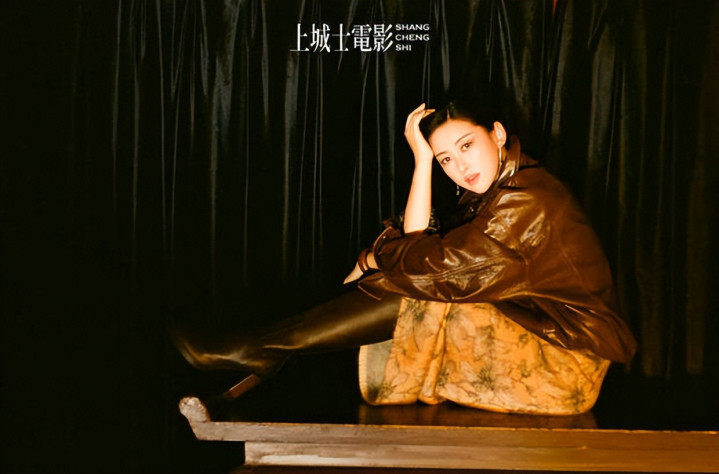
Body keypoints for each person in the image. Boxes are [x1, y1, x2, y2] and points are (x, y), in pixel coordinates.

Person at [174, 101, 637, 415]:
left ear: (497, 134)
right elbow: (420, 249)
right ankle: (270, 350)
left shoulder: (527, 202)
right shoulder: (503, 189)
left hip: (566, 367)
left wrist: (374, 258)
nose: (460, 167)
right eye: (445, 160)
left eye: (467, 146)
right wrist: (421, 161)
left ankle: (265, 349)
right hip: (539, 341)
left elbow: (430, 270)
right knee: (417, 281)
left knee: (421, 292)